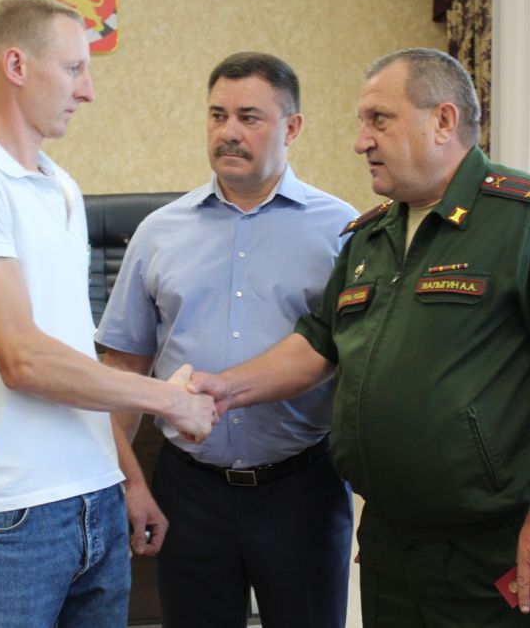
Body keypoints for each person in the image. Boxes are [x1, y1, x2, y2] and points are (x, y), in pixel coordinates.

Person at [191, 47, 530, 627]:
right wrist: (224, 388)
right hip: (390, 544)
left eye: (379, 120)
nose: (360, 141)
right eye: (362, 122)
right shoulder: (369, 237)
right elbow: (317, 346)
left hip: (497, 543)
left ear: (443, 121)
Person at [0, 0, 216, 628]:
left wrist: (127, 476)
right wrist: (168, 399)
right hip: (9, 516)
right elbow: (23, 359)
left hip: (95, 500)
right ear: (16, 65)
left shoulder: (61, 186)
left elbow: (74, 354)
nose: (88, 91)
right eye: (75, 68)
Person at [95, 51, 357, 628]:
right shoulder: (159, 232)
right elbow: (123, 370)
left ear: (292, 127)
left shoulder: (342, 231)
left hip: (300, 488)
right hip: (190, 490)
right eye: (218, 116)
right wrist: (127, 482)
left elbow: (362, 366)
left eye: (249, 117)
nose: (229, 132)